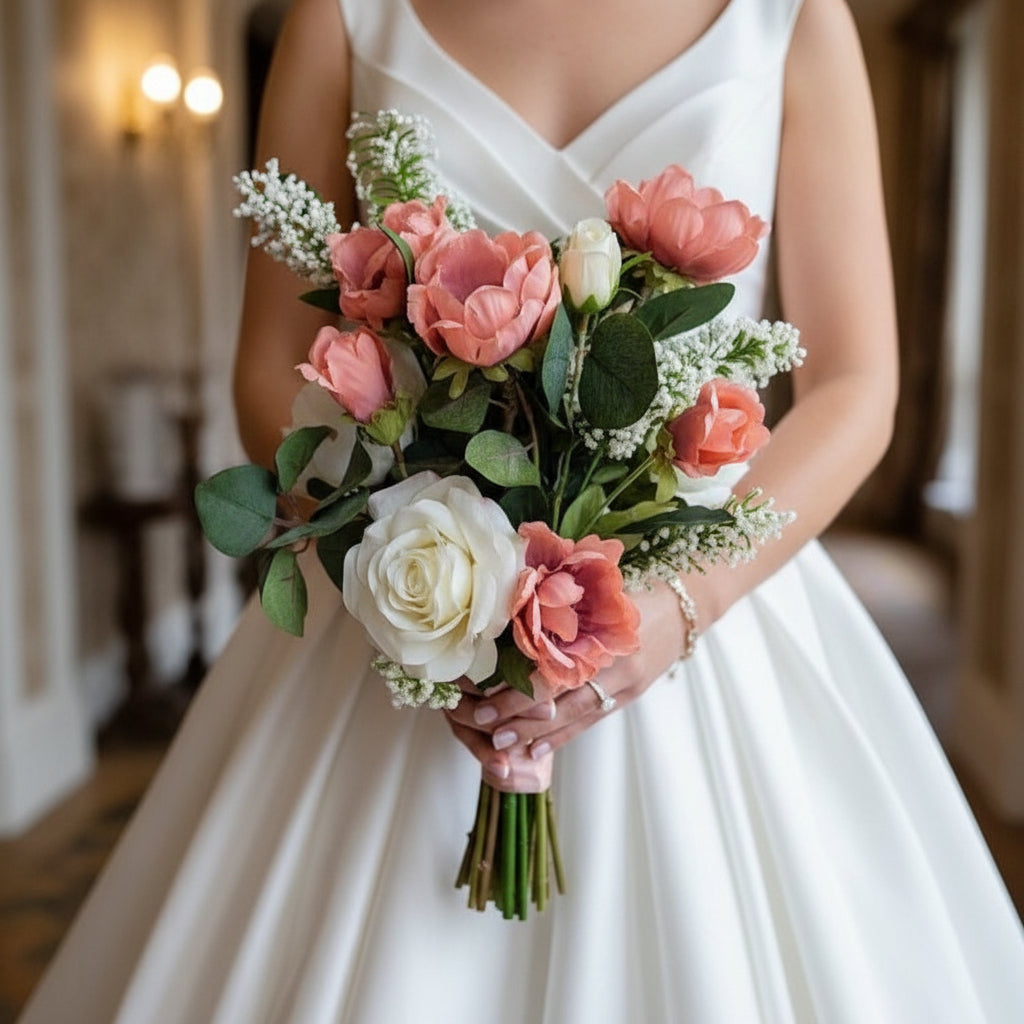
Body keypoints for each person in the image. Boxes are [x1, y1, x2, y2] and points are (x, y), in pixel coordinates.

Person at [20, 0, 1024, 1021]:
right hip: (403, 606)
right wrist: (429, 594)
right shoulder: (342, 15)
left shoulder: (789, 19)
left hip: (711, 612)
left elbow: (857, 386)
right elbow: (265, 376)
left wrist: (678, 605)